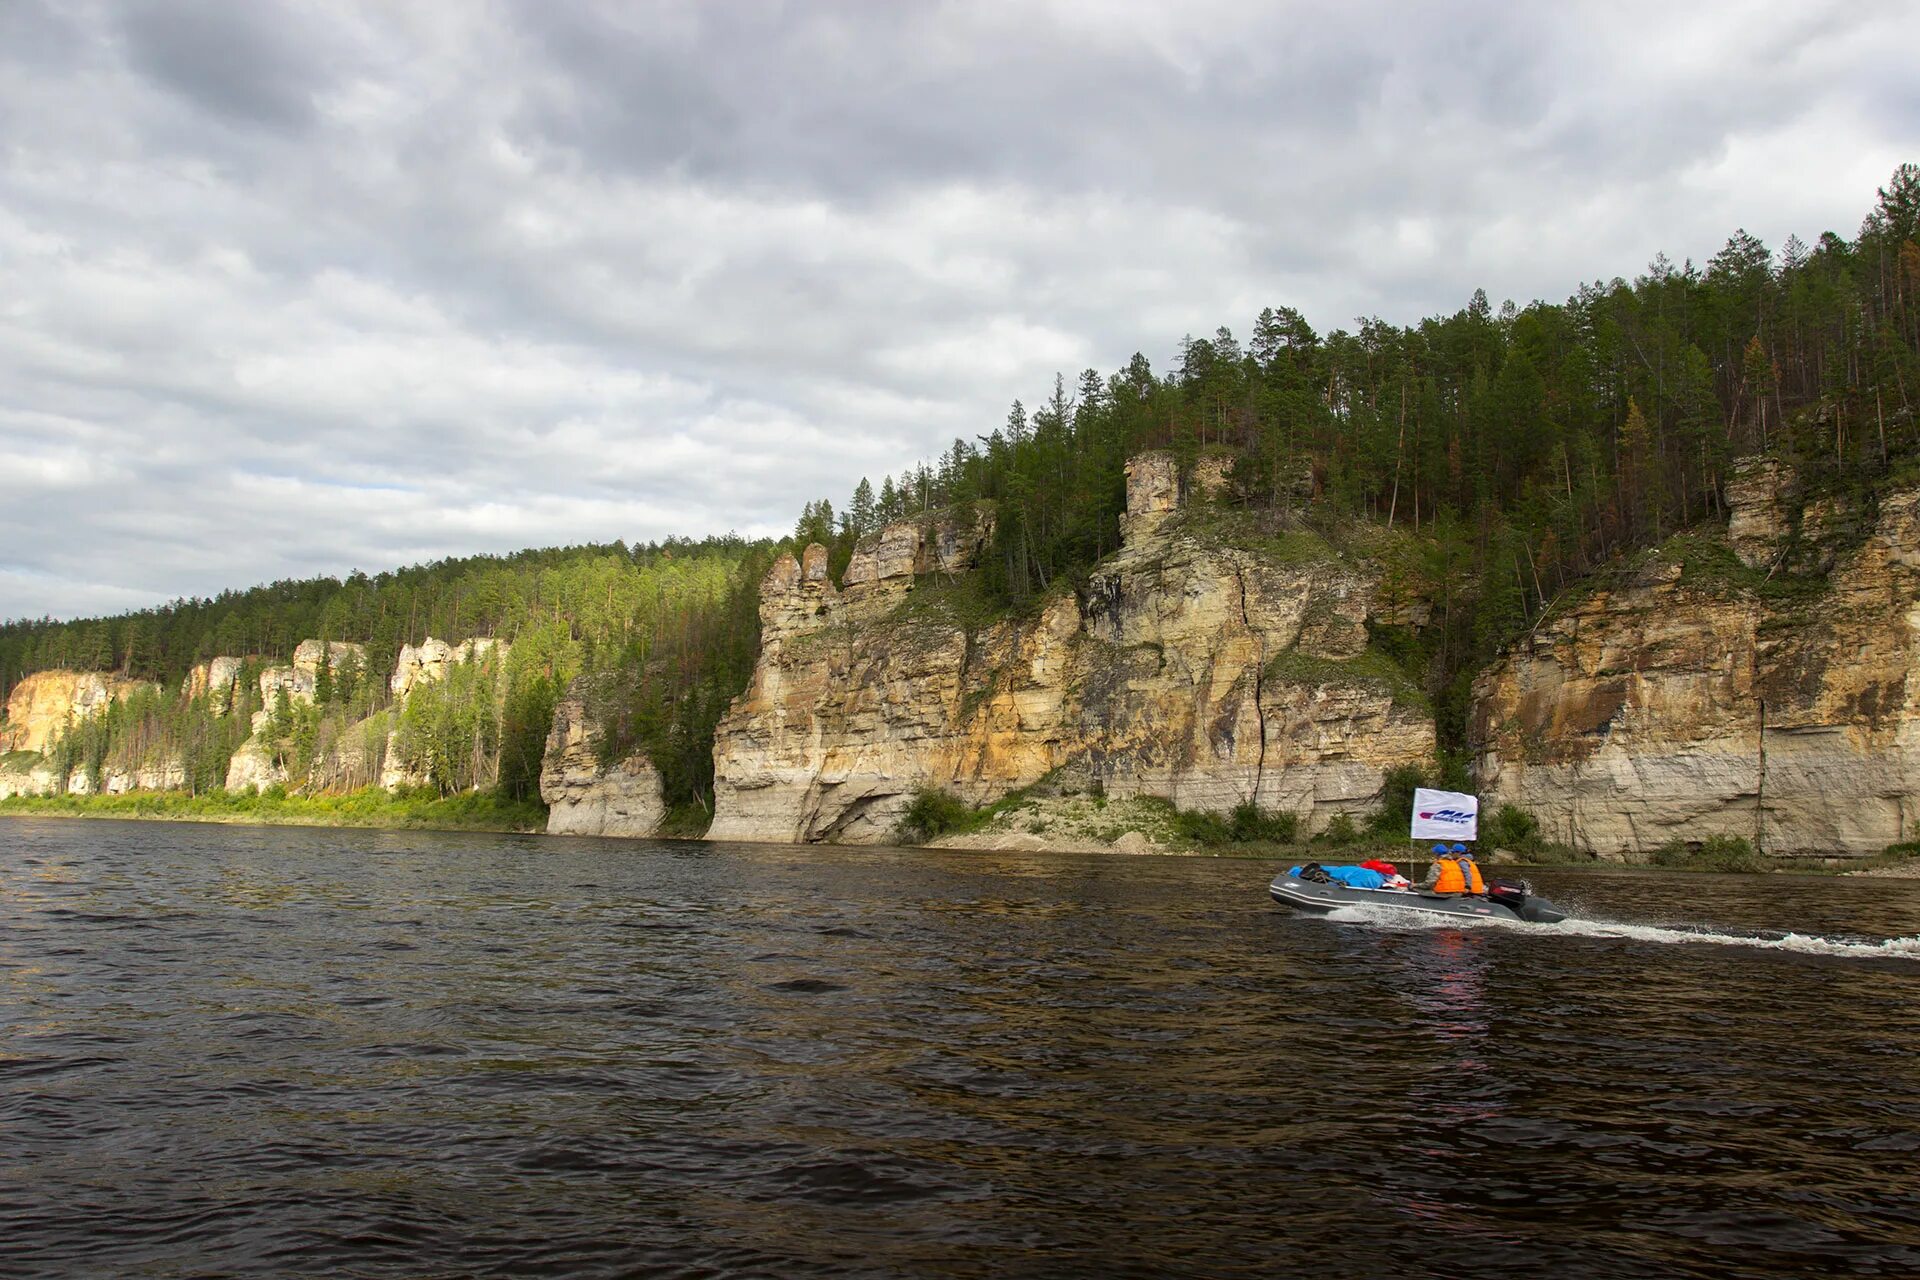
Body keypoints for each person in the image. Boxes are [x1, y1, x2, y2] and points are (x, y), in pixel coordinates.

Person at [1421, 841, 1486, 895]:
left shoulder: (1462, 862)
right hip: (1475, 889)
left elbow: (1467, 874)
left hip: (1471, 890)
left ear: (1459, 853)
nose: (1451, 854)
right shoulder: (1465, 861)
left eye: (1453, 852)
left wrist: (1467, 887)